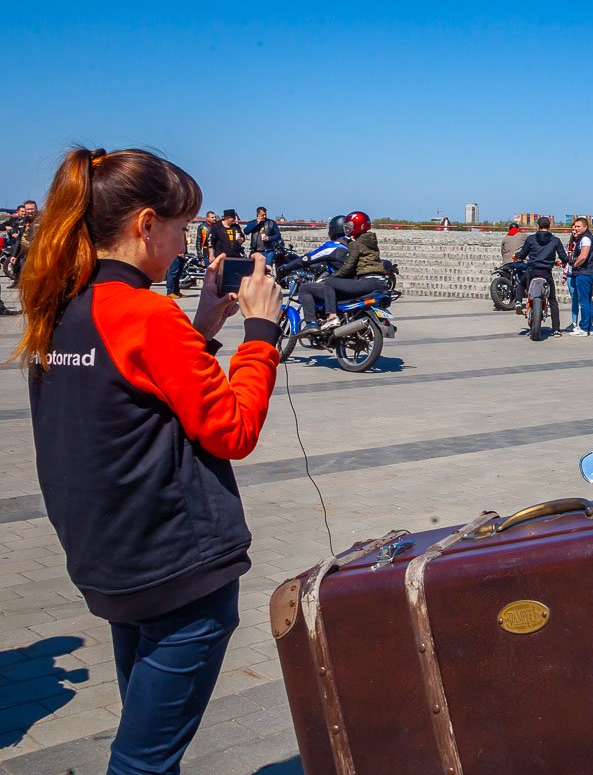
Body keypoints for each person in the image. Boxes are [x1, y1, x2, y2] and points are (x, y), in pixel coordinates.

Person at [18, 147, 282, 775]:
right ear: (145, 224)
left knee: (144, 742)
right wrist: (262, 335)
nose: (187, 239)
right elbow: (232, 429)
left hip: (112, 562)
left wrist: (202, 328)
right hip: (177, 572)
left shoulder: (59, 307)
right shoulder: (143, 313)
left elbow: (130, 397)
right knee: (142, 761)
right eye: (182, 226)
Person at [299, 210, 388, 335]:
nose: (348, 229)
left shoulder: (355, 243)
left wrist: (335, 276)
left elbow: (349, 266)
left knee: (330, 283)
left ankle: (332, 317)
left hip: (367, 281)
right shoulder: (370, 241)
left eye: (350, 226)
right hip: (380, 282)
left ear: (357, 226)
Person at [513, 216, 567, 336]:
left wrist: (517, 256)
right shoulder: (555, 240)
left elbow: (522, 255)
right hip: (546, 272)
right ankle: (556, 329)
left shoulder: (531, 239)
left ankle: (517, 302)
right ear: (549, 227)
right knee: (552, 300)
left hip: (532, 271)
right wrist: (563, 261)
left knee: (521, 284)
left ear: (537, 226)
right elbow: (563, 257)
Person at [295, 215, 351, 331]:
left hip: (341, 286)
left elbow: (309, 258)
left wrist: (287, 266)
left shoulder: (332, 246)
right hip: (355, 285)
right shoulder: (352, 244)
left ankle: (311, 323)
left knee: (305, 289)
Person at [567, 217, 593, 336]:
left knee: (583, 301)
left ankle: (584, 328)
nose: (576, 229)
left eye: (579, 226)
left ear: (585, 227)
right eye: (575, 227)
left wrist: (574, 265)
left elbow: (583, 256)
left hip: (584, 273)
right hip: (586, 272)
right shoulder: (585, 237)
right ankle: (589, 327)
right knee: (588, 302)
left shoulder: (585, 238)